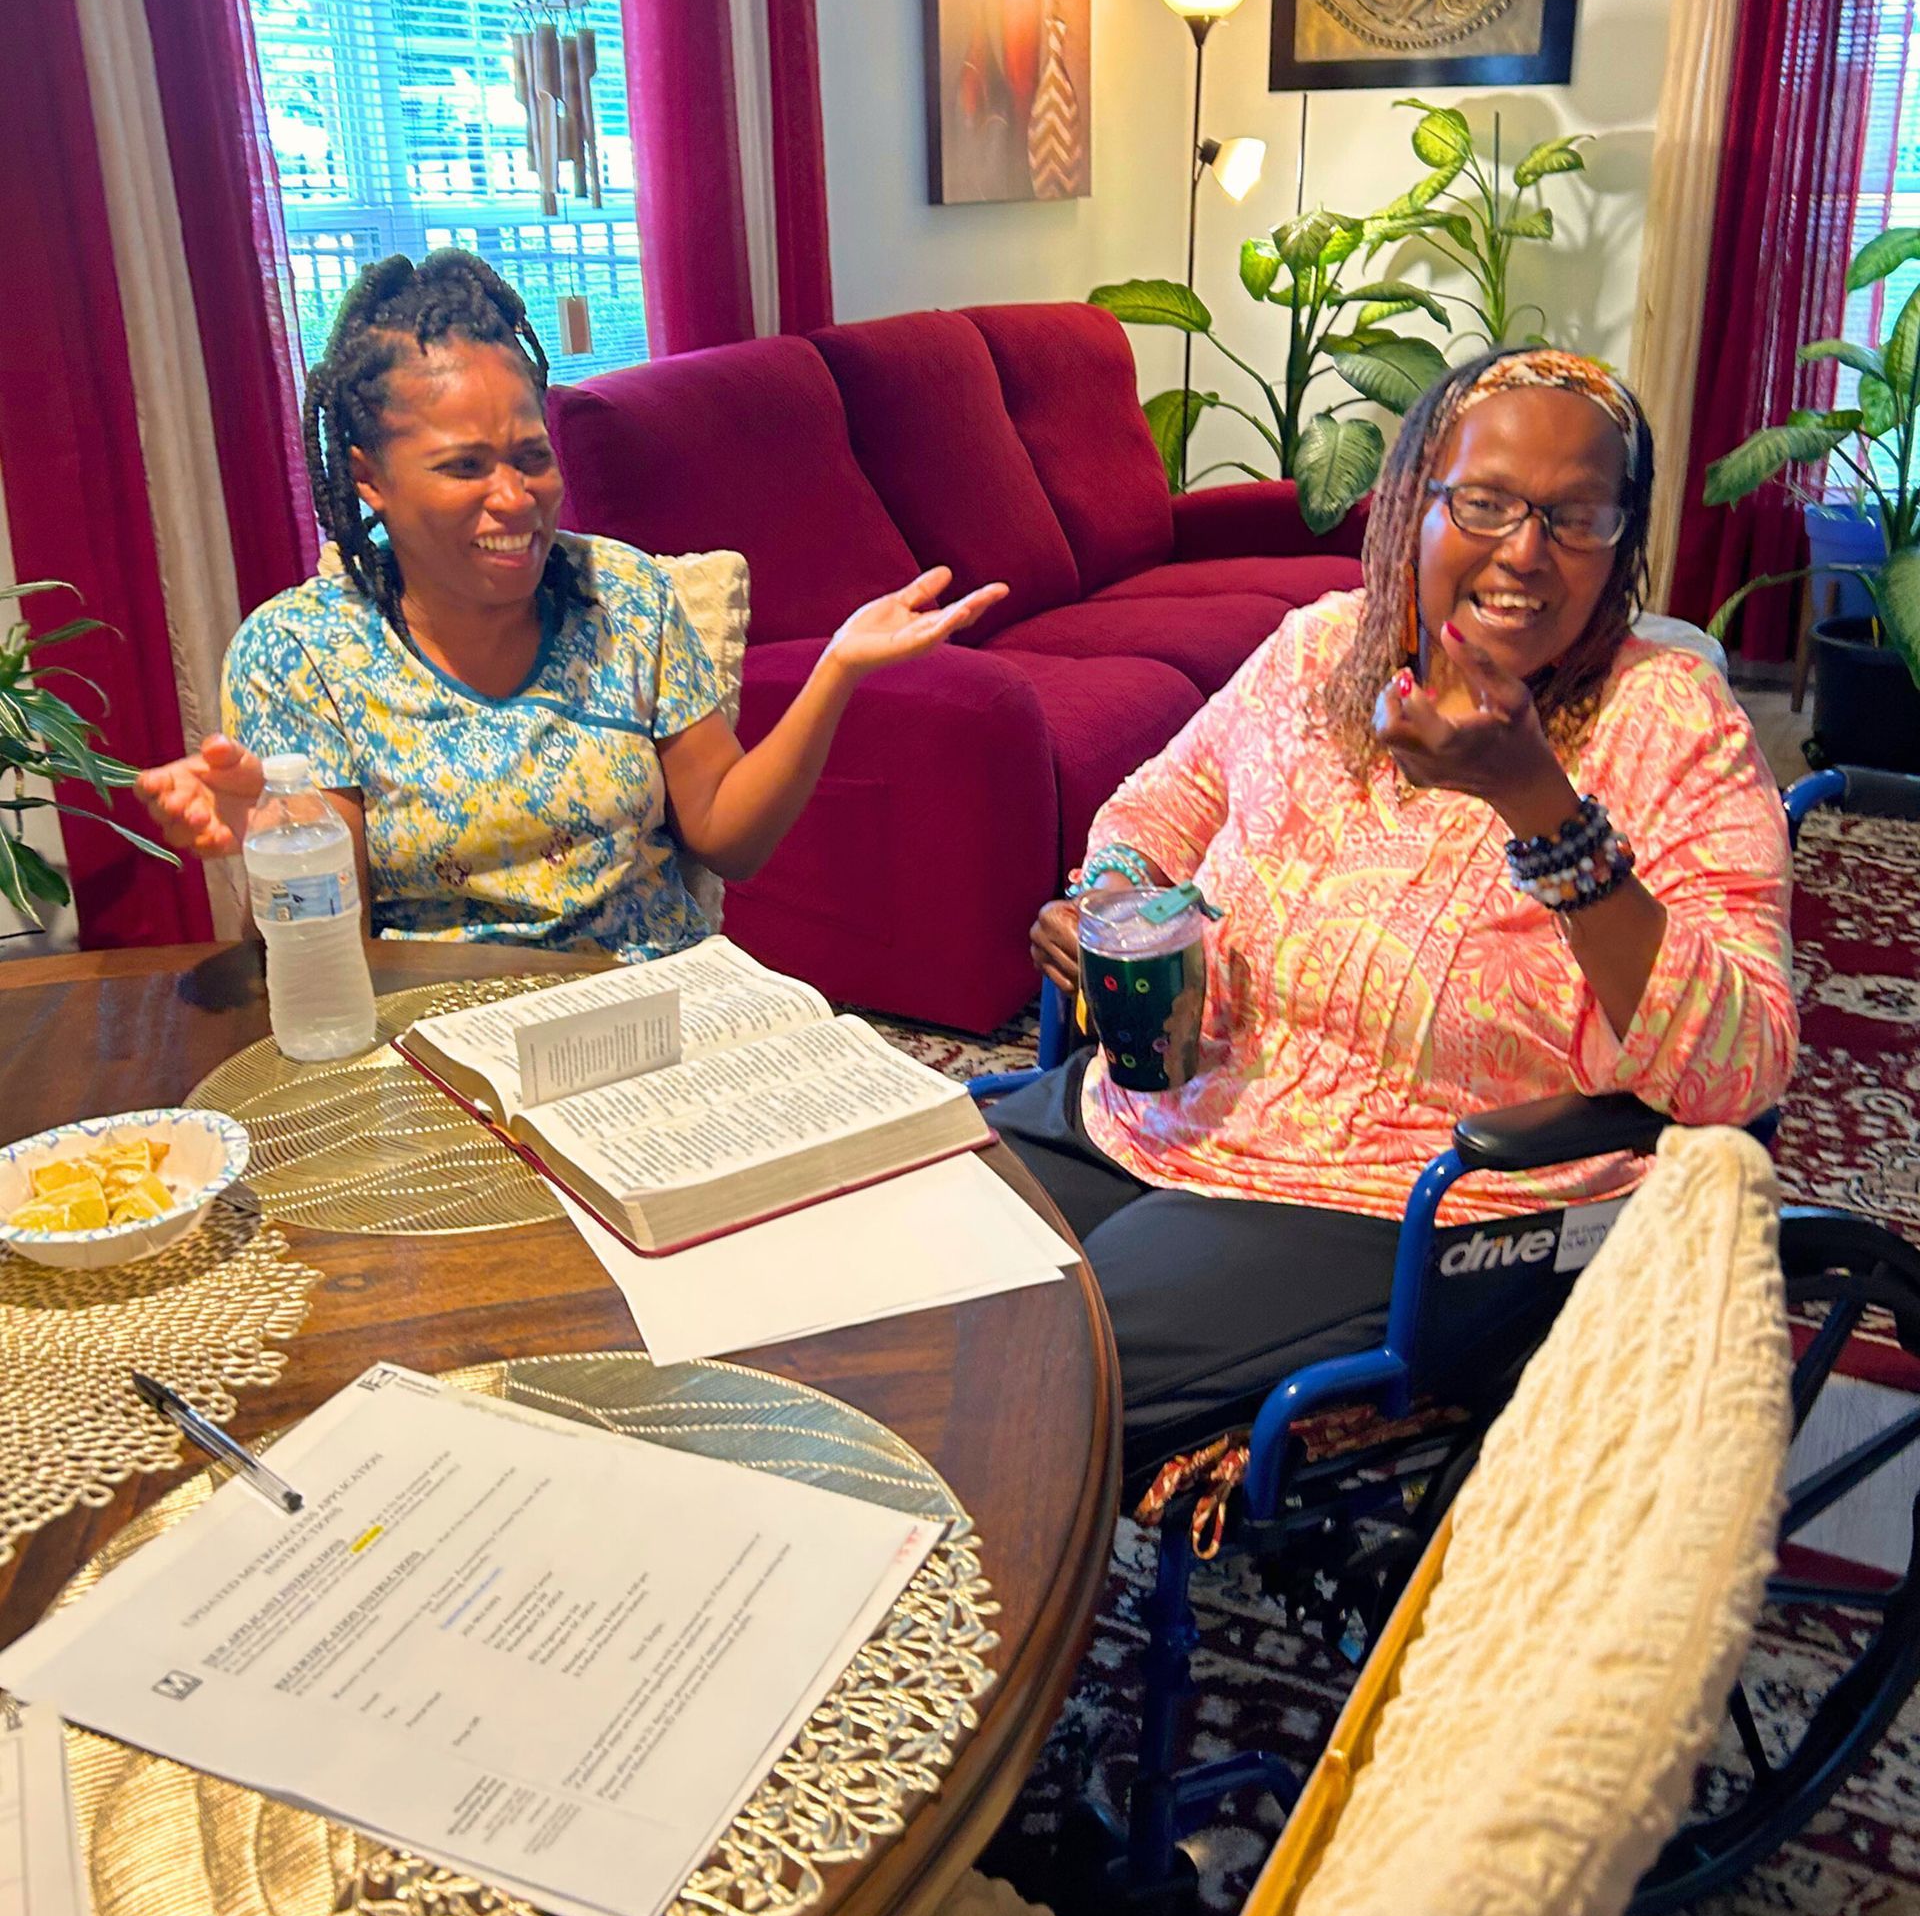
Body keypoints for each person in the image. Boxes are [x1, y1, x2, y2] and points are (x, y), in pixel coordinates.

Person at [994, 347, 1797, 1482]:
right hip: (1159, 1108)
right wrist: (1113, 899)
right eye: (1485, 503)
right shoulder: (1321, 650)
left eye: (1577, 516)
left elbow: (1743, 1068)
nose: (1526, 550)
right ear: (1414, 503)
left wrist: (1538, 805)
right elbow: (1157, 804)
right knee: (891, 1264)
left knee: (1018, 1368)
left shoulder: (1670, 724)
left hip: (1397, 1202)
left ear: (1621, 541)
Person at [138, 251, 1004, 949]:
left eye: (530, 455)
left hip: (658, 1019)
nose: (515, 497)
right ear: (369, 479)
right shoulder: (300, 653)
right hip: (446, 1051)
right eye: (465, 466)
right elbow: (330, 946)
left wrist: (836, 671)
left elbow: (729, 838)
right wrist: (277, 833)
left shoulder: (622, 594)